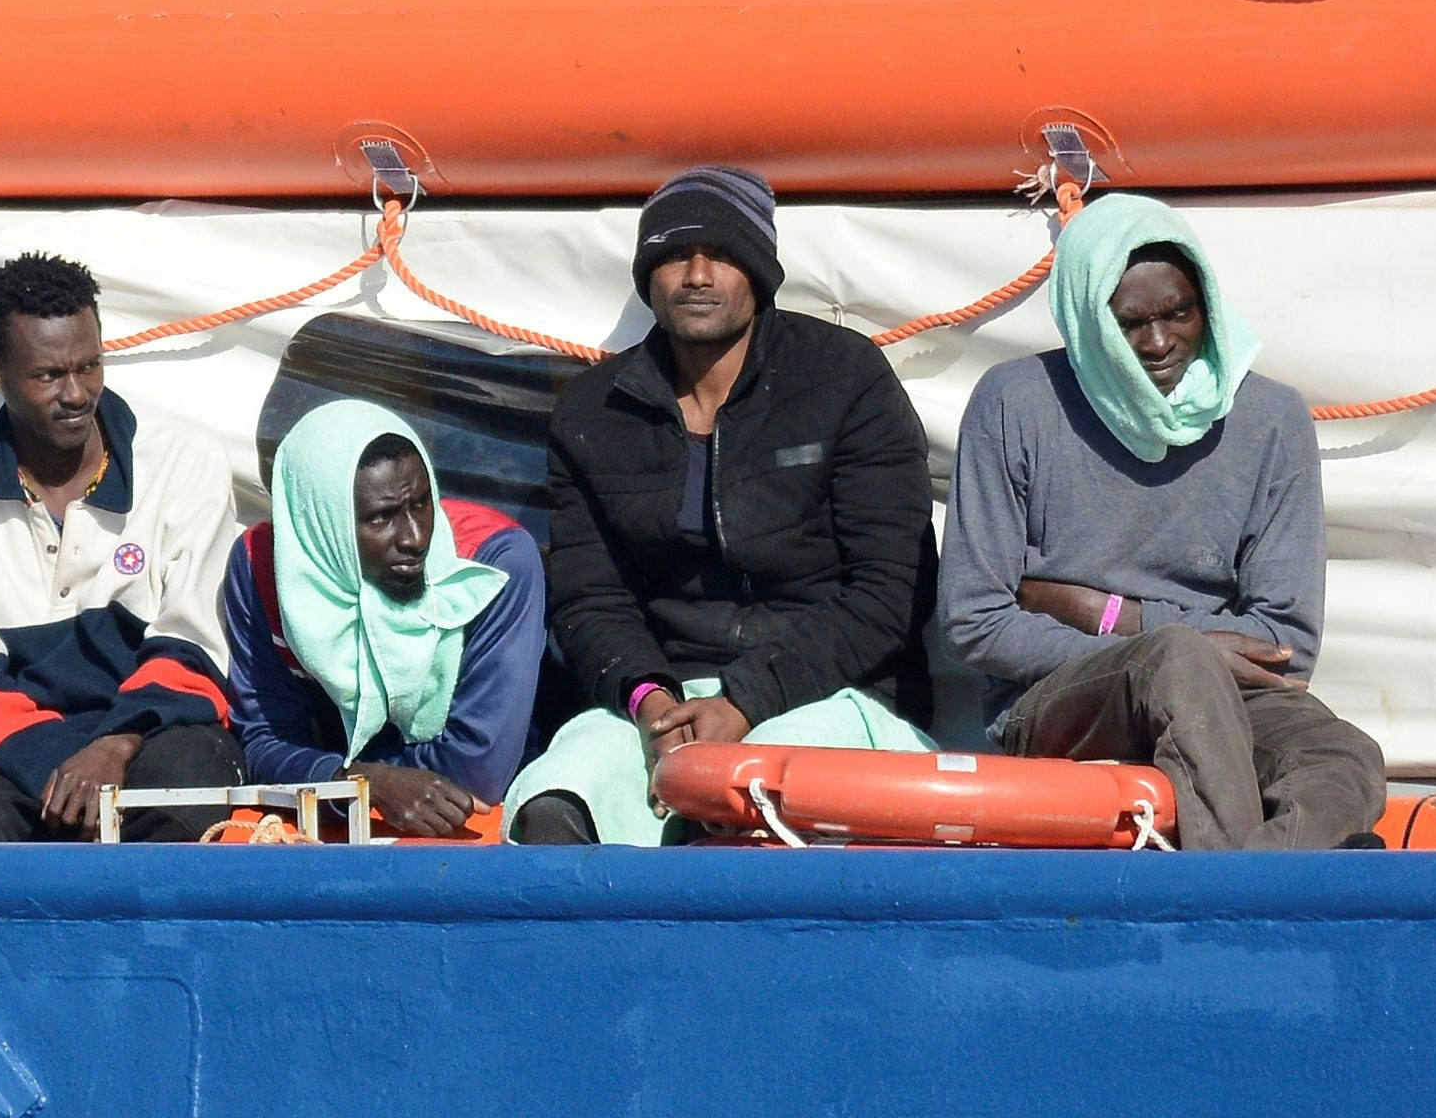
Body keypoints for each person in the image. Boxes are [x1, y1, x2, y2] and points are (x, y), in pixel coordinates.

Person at [509, 165, 936, 846]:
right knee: (555, 808)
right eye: (676, 255)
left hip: (829, 695)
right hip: (663, 702)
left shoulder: (845, 380)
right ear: (648, 275)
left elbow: (893, 591)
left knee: (763, 807)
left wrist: (746, 701)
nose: (698, 274)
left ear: (761, 272)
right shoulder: (594, 410)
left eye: (724, 255)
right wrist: (649, 701)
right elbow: (589, 599)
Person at [941, 195, 1384, 849]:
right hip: (1055, 696)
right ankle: (1225, 919)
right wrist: (1160, 650)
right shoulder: (1013, 404)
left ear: (1207, 303)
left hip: (1227, 691)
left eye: (1179, 313)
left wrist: (1119, 615)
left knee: (1343, 753)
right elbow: (974, 622)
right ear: (1088, 321)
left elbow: (1285, 643)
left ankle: (1248, 895)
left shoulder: (1272, 418)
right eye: (1129, 324)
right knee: (1179, 665)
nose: (1157, 342)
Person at [0, 253, 242, 840]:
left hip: (154, 734)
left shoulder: (184, 461)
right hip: (11, 744)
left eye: (91, 366)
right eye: (49, 375)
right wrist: (62, 765)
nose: (78, 394)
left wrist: (112, 747)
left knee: (179, 804)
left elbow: (194, 647)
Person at [220, 402, 542, 837]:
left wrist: (335, 777)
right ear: (321, 524)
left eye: (422, 503)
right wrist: (362, 783)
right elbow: (262, 742)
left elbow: (477, 772)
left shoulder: (492, 564)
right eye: (382, 517)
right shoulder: (261, 568)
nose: (414, 538)